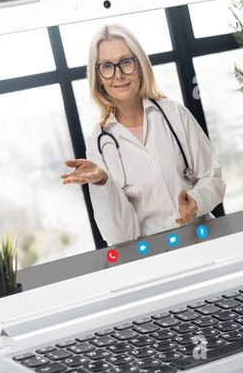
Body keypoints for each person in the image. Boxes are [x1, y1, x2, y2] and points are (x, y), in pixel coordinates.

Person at [61, 24, 226, 245]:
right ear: (99, 77)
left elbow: (213, 179)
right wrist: (103, 182)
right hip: (153, 258)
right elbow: (119, 237)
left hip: (205, 241)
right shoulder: (99, 142)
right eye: (107, 66)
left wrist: (195, 202)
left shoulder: (174, 113)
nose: (118, 75)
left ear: (139, 66)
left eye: (126, 62)